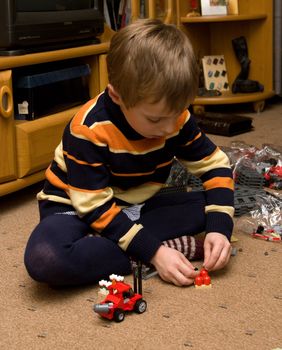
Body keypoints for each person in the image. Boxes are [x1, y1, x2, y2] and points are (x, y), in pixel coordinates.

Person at [24, 19, 234, 287]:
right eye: (156, 120)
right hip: (76, 209)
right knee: (47, 258)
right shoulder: (88, 130)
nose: (170, 128)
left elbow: (215, 166)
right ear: (116, 96)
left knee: (213, 207)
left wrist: (219, 228)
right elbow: (94, 206)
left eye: (177, 114)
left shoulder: (174, 118)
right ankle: (151, 246)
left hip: (136, 206)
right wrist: (155, 253)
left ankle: (127, 242)